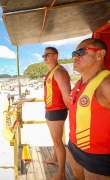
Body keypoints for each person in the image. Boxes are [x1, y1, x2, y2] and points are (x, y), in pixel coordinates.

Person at [67, 38, 110, 179]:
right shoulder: (79, 83)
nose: (75, 56)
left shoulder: (106, 84)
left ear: (100, 54)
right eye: (74, 52)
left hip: (98, 158)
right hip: (74, 147)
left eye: (81, 51)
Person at [43, 47, 71, 180]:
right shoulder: (51, 71)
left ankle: (61, 174)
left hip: (57, 110)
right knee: (55, 139)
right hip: (50, 109)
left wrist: (71, 110)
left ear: (55, 55)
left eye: (47, 55)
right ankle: (55, 158)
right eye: (43, 55)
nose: (45, 57)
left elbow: (67, 94)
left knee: (58, 141)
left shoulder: (60, 72)